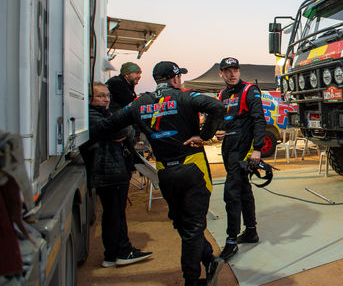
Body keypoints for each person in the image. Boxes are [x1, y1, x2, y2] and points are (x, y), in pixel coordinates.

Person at [90, 61, 226, 286]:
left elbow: (106, 126)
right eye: (179, 76)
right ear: (174, 79)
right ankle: (192, 280)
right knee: (192, 226)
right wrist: (204, 135)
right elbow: (218, 107)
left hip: (164, 171)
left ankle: (209, 260)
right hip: (193, 169)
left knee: (182, 223)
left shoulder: (139, 103)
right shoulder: (185, 96)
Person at [81, 82, 152, 268]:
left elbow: (124, 131)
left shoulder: (104, 114)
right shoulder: (91, 115)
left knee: (115, 214)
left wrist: (123, 131)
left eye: (107, 96)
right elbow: (124, 130)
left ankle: (115, 253)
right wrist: (125, 130)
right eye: (100, 96)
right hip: (109, 172)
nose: (105, 99)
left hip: (114, 170)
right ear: (90, 98)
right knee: (114, 215)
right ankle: (120, 252)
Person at [215, 57, 266, 261]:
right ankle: (251, 231)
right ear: (221, 73)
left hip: (243, 151)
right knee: (244, 189)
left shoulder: (249, 90)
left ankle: (231, 240)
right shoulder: (221, 94)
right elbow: (222, 120)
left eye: (235, 70)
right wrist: (219, 130)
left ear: (239, 71)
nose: (232, 74)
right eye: (227, 71)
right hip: (228, 149)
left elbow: (259, 119)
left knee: (232, 194)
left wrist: (257, 149)